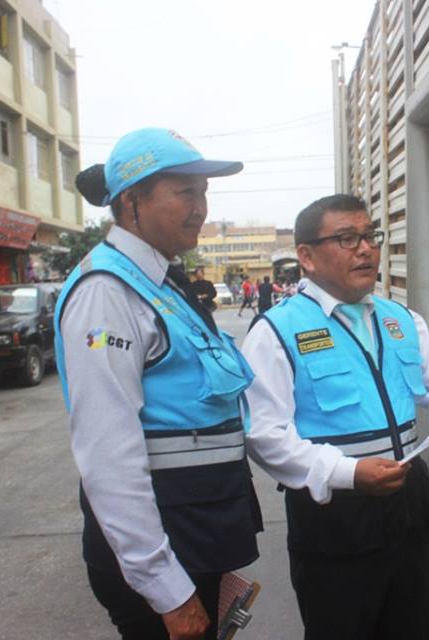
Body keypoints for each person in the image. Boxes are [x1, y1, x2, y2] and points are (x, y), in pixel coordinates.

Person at [242, 194, 429, 640]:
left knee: (408, 627)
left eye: (370, 236)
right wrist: (347, 473)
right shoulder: (275, 331)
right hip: (334, 513)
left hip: (407, 502)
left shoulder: (398, 318)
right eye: (347, 238)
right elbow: (264, 435)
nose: (365, 249)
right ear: (305, 256)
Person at [56, 128, 263, 640]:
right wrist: (167, 590)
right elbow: (109, 454)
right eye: (185, 192)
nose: (201, 208)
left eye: (205, 192)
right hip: (170, 552)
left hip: (197, 535)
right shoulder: (107, 291)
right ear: (132, 201)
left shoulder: (159, 280)